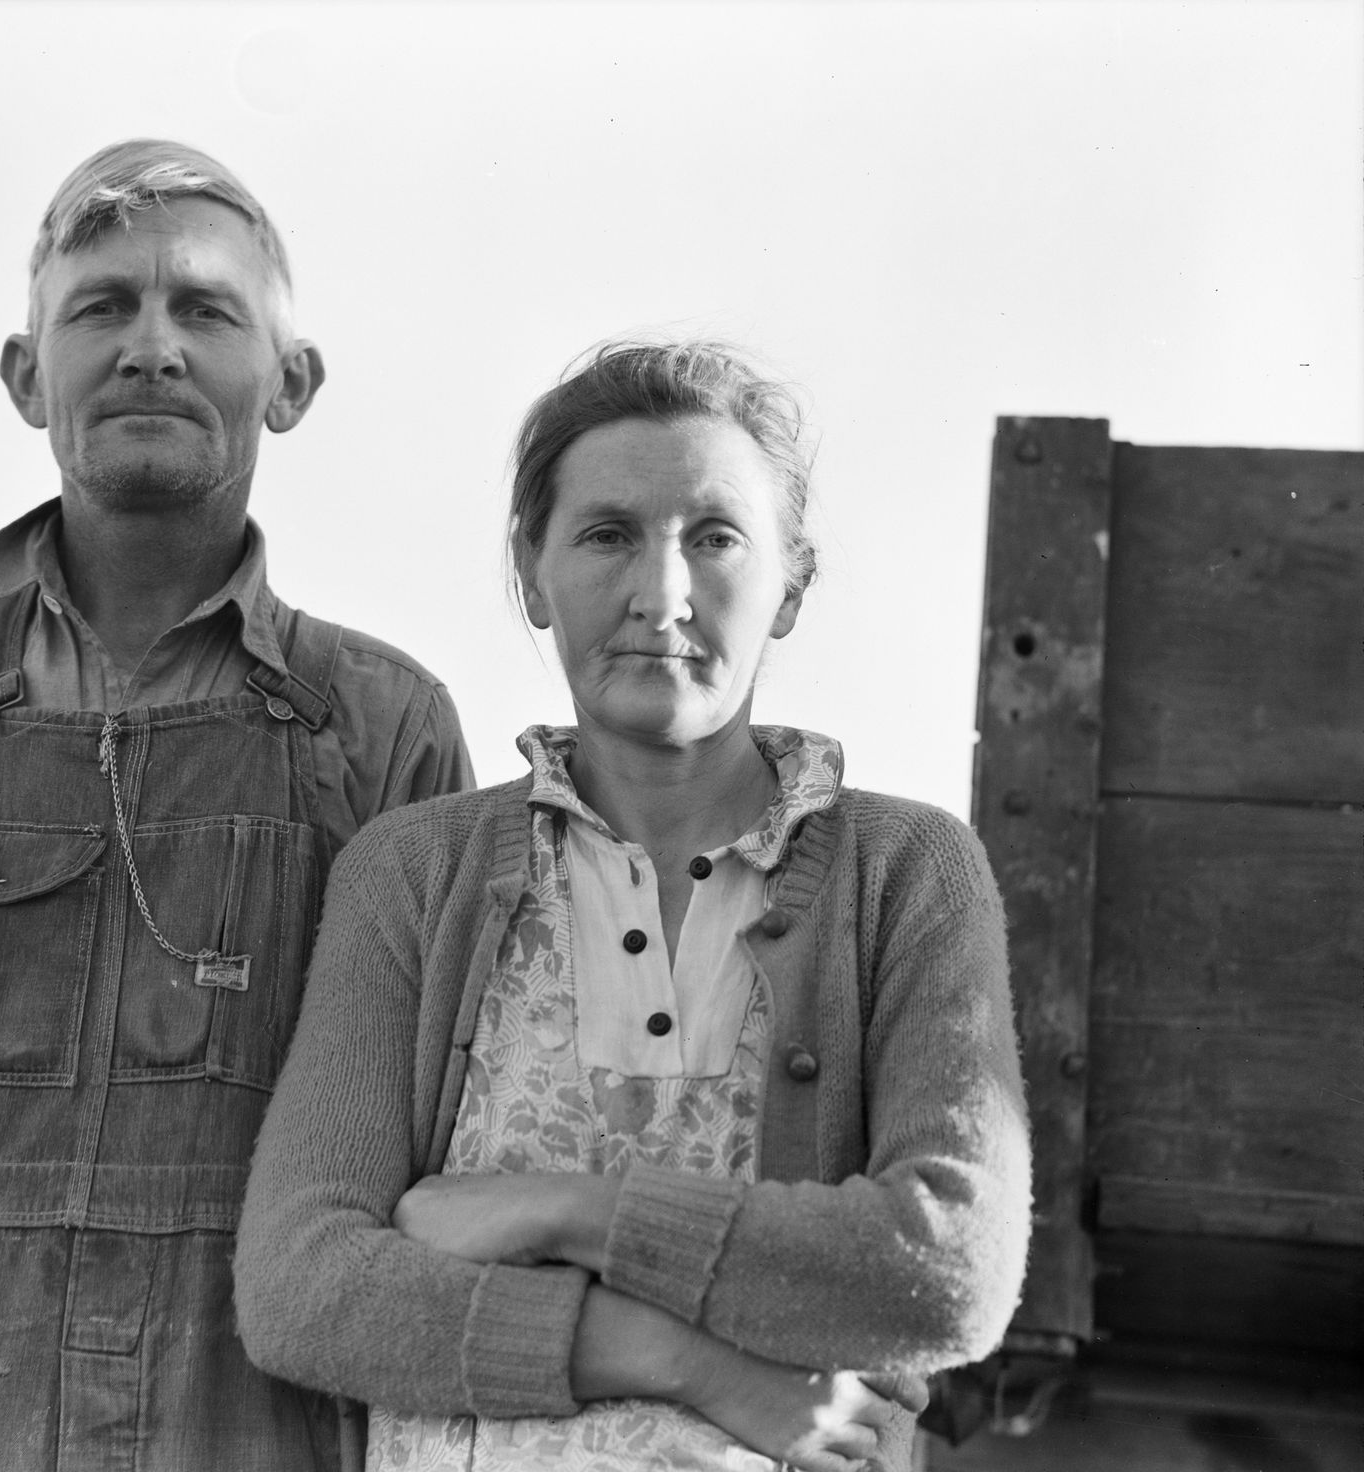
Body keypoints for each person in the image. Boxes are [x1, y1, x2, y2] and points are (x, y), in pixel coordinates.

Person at [0, 139, 472, 1470]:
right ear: (28, 377)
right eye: (101, 307)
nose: (151, 347)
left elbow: (410, 1148)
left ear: (291, 381)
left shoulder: (382, 725)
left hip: (243, 1409)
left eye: (205, 309)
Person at [235, 340, 1031, 1472]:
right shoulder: (413, 874)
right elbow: (301, 1285)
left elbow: (948, 1261)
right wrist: (686, 1357)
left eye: (715, 537)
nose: (661, 594)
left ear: (792, 581)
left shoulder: (908, 875)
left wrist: (559, 1209)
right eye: (608, 534)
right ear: (531, 569)